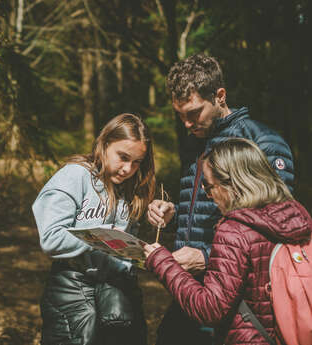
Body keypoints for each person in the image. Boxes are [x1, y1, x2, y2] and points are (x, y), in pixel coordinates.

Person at [146, 53, 295, 345]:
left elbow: (276, 228)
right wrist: (173, 214)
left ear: (220, 96)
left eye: (194, 112)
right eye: (180, 115)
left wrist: (204, 256)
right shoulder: (195, 144)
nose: (186, 123)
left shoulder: (262, 143)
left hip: (239, 303)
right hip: (192, 291)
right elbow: (205, 213)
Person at [143, 138, 311, 345]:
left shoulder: (235, 230)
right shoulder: (295, 216)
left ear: (231, 184)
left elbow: (209, 308)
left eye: (209, 184)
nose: (206, 192)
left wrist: (161, 261)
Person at [32, 113, 156, 345]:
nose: (128, 168)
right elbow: (51, 239)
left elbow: (131, 244)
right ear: (105, 143)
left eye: (137, 162)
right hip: (73, 293)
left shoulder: (131, 186)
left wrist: (159, 214)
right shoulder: (74, 176)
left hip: (118, 295)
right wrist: (101, 238)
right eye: (123, 157)